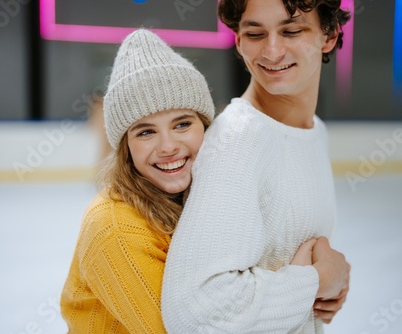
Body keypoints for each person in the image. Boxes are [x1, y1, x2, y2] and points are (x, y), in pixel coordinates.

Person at [161, 0, 351, 333]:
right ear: (238, 40)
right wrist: (315, 283)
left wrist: (325, 294)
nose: (272, 51)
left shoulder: (314, 132)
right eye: (254, 33)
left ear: (330, 35)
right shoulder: (238, 140)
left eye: (291, 30)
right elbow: (195, 311)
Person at [60, 29, 215, 333]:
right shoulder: (115, 227)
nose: (168, 146)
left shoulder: (206, 196)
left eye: (182, 124)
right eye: (146, 132)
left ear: (206, 125)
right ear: (125, 147)